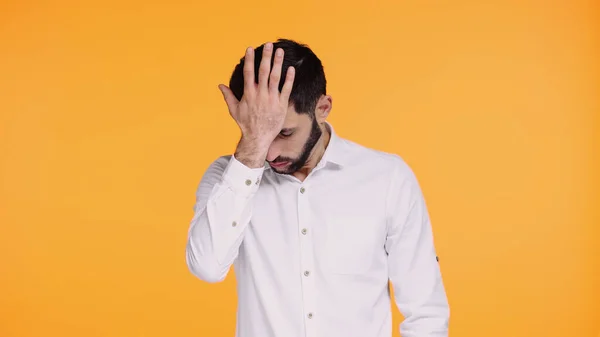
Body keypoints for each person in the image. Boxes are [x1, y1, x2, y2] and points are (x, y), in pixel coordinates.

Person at [185, 38, 450, 337]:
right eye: (256, 131)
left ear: (322, 108)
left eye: (283, 132)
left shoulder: (388, 178)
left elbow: (425, 311)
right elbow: (207, 266)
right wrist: (249, 151)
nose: (270, 153)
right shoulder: (228, 179)